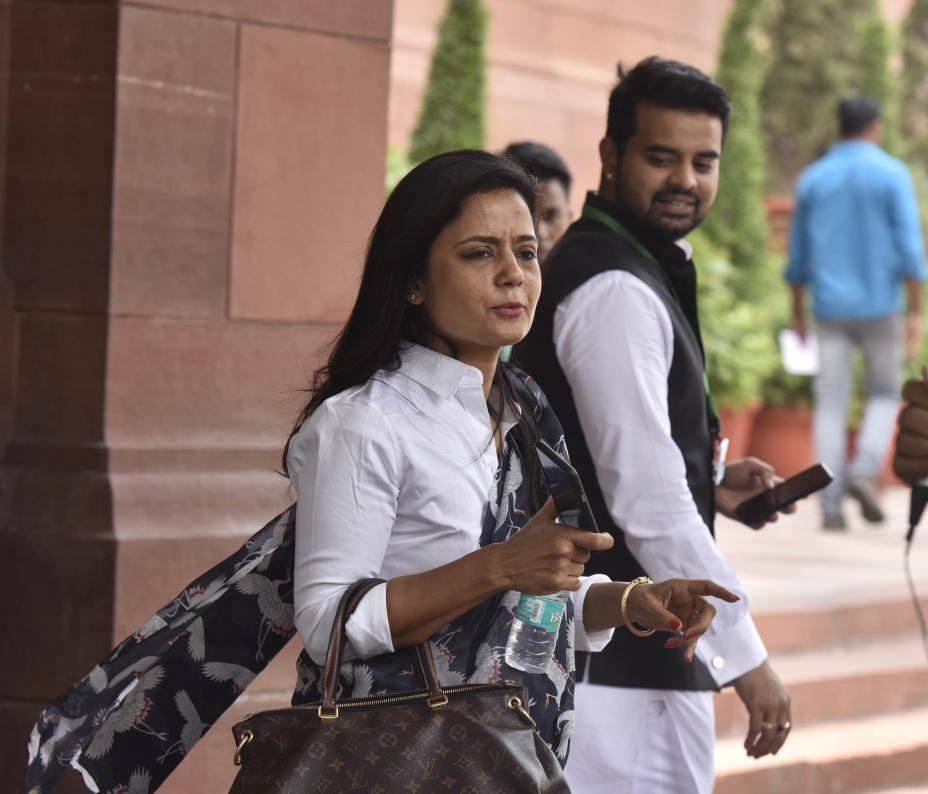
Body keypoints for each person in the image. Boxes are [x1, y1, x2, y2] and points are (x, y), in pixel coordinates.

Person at [285, 148, 740, 763]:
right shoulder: (365, 423)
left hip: (513, 756)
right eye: (479, 253)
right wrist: (498, 567)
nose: (513, 274)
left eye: (526, 252)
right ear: (413, 280)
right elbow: (326, 623)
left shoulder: (519, 411)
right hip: (401, 760)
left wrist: (633, 601)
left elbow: (530, 603)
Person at [516, 58, 791, 793]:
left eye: (705, 162)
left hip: (614, 662)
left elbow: (618, 451)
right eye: (661, 157)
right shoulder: (612, 287)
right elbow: (646, 496)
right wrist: (748, 658)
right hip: (617, 677)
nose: (686, 180)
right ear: (610, 157)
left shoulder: (630, 266)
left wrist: (714, 480)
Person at [786, 93, 926, 531]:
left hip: (828, 307)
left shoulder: (814, 178)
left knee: (831, 400)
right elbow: (909, 245)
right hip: (881, 305)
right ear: (874, 128)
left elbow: (798, 255)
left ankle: (829, 505)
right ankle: (865, 470)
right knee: (885, 394)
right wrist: (916, 310)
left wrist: (796, 312)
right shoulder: (891, 174)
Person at [501, 141, 573, 264]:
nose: (540, 232)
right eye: (527, 217)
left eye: (551, 216)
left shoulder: (597, 280)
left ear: (569, 217)